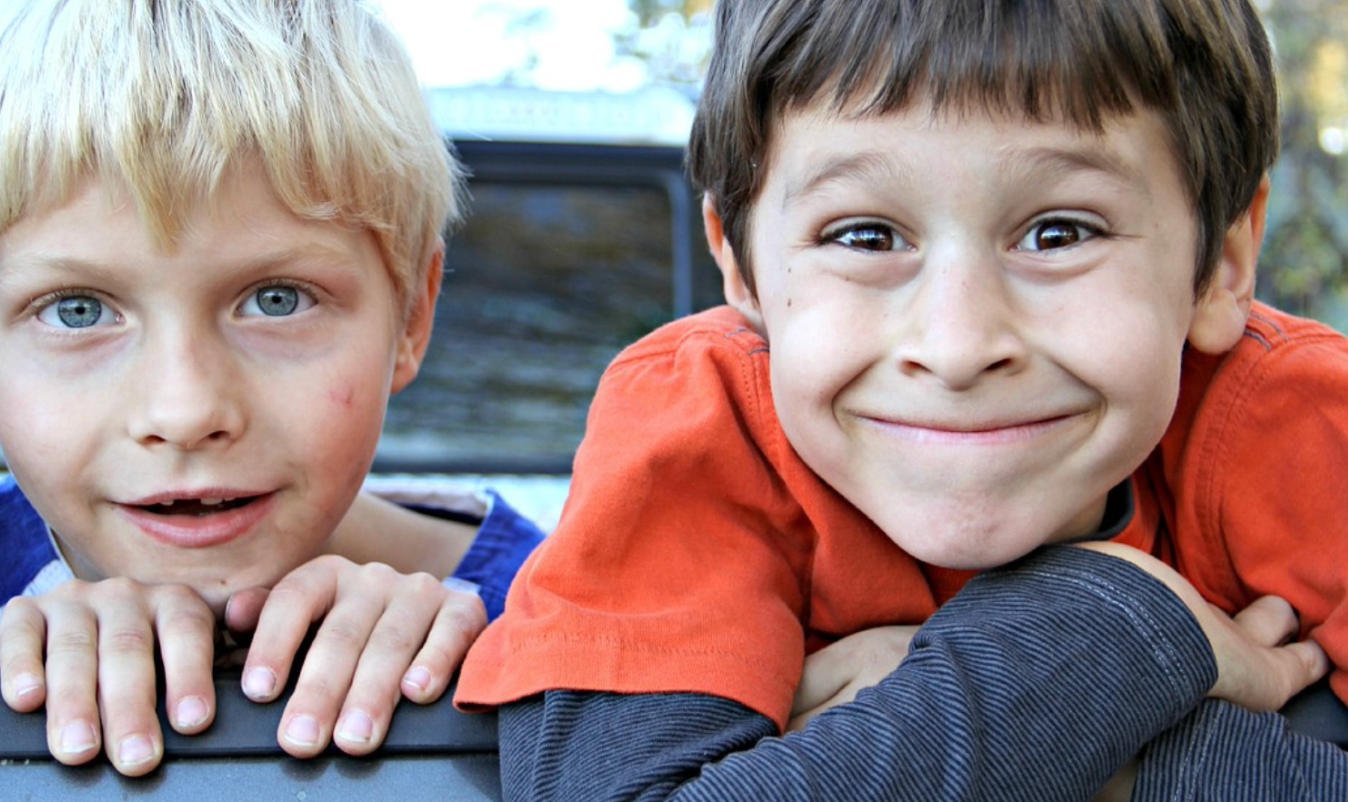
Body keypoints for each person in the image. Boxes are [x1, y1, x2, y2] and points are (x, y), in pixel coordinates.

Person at [455, 0, 1348, 797]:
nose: (956, 347)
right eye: (866, 235)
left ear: (1223, 261)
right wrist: (1105, 631)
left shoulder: (1296, 426)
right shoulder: (705, 424)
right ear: (742, 265)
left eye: (1058, 232)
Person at [0, 0, 543, 778]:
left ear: (413, 316)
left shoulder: (567, 623)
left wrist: (475, 675)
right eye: (77, 311)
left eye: (276, 299)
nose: (184, 413)